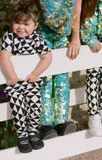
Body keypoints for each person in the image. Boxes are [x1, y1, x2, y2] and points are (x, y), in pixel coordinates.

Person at [0, 0, 52, 153]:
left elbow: (47, 56)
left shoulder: (36, 38)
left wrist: (35, 74)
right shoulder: (10, 36)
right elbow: (4, 57)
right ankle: (22, 136)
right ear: (12, 22)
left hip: (31, 80)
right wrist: (12, 76)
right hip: (15, 82)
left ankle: (33, 133)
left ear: (35, 25)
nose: (21, 27)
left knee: (36, 107)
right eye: (17, 22)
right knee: (18, 109)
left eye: (26, 24)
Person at [38, 0, 82, 139]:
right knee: (44, 77)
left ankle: (61, 122)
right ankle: (44, 124)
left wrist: (75, 38)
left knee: (62, 77)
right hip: (42, 32)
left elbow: (76, 10)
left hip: (63, 35)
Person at [81, 0, 102, 136]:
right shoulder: (89, 3)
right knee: (93, 76)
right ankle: (94, 114)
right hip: (93, 45)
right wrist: (91, 40)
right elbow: (84, 24)